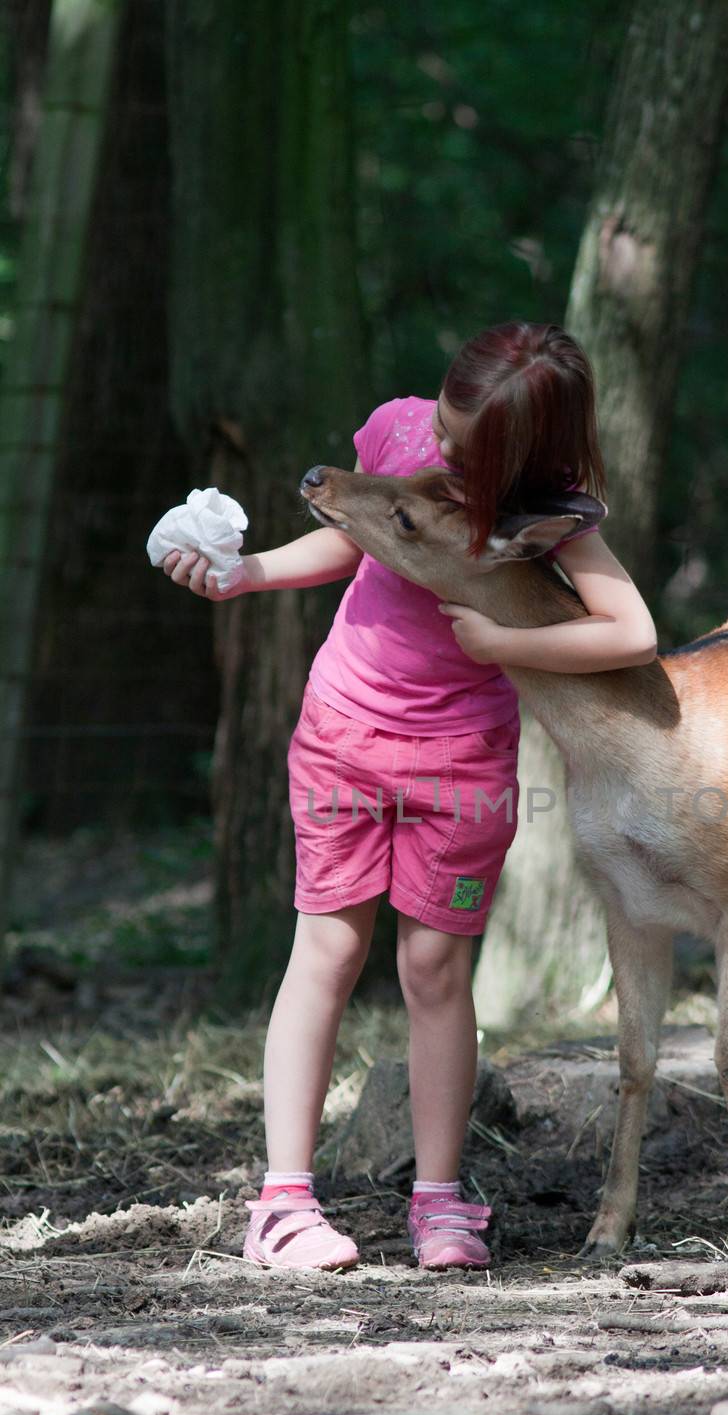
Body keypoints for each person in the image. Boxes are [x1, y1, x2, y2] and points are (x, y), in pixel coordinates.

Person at [161, 321, 657, 1271]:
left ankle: (437, 1200)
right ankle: (283, 1204)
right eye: (446, 423)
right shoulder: (396, 433)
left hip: (463, 762)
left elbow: (629, 631)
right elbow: (354, 543)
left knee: (434, 973)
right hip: (345, 732)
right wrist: (246, 574)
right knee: (330, 952)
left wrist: (508, 646)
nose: (447, 449)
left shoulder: (548, 512)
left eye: (470, 450)